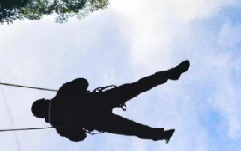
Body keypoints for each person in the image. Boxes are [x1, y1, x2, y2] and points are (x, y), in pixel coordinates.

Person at [31, 61, 190, 143]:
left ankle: (160, 135)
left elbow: (80, 137)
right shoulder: (62, 94)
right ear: (44, 101)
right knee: (139, 86)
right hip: (100, 101)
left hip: (98, 121)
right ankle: (169, 74)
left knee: (132, 129)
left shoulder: (60, 127)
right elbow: (83, 81)